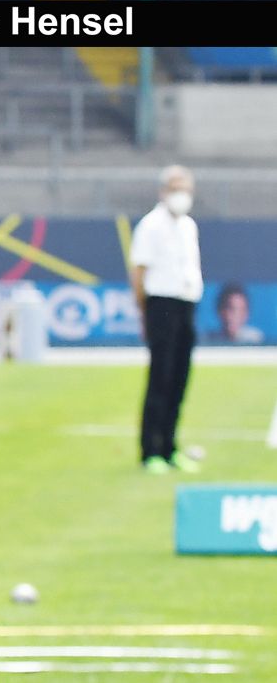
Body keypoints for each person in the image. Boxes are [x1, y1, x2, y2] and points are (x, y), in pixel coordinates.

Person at [131, 165, 203, 474]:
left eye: (185, 188)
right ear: (163, 191)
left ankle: (170, 447)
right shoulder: (151, 225)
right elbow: (139, 270)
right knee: (160, 377)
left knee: (179, 377)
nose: (181, 194)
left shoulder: (188, 226)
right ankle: (151, 450)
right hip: (161, 303)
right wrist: (143, 310)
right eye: (175, 188)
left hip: (186, 302)